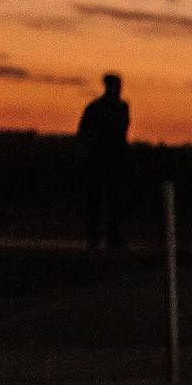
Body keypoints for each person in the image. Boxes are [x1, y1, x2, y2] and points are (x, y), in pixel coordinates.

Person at [77, 71, 130, 250]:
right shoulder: (98, 108)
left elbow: (120, 133)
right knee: (97, 201)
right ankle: (96, 238)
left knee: (113, 202)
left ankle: (110, 238)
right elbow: (84, 133)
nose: (118, 89)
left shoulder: (119, 107)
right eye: (116, 86)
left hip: (112, 161)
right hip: (100, 161)